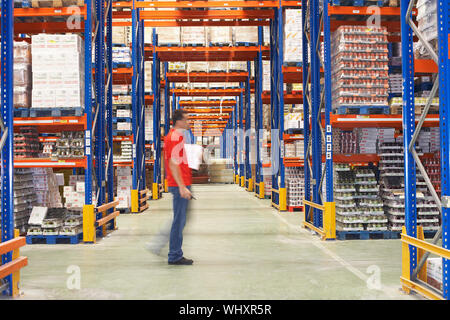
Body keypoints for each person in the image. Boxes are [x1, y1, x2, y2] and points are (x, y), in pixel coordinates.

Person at [163, 109, 194, 265]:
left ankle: (174, 252)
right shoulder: (175, 137)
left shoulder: (176, 136)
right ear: (179, 121)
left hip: (181, 183)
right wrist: (182, 187)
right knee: (178, 221)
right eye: (187, 119)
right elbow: (173, 164)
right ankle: (174, 255)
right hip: (179, 184)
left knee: (180, 220)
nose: (189, 122)